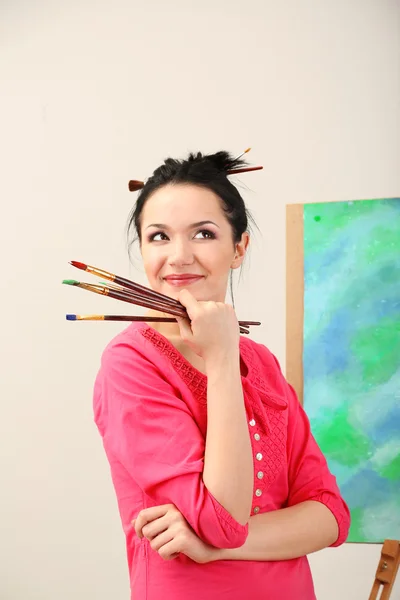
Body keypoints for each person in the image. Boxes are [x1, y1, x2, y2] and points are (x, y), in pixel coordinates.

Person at [93, 150, 350, 600]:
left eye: (204, 233)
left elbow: (330, 516)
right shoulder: (131, 364)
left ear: (239, 248)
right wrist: (222, 359)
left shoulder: (262, 362)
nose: (179, 256)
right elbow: (223, 520)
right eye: (158, 237)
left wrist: (213, 548)